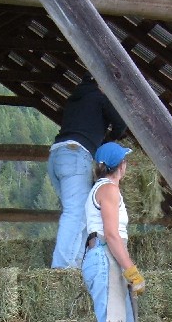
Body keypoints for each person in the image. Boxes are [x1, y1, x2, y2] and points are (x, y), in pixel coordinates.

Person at [81, 142, 145, 322]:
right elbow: (112, 234)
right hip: (106, 257)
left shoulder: (103, 188)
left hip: (108, 258)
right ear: (121, 165)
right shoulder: (109, 189)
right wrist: (131, 270)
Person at [48, 73, 127, 269]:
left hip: (57, 155)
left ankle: (75, 264)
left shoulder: (74, 100)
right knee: (75, 212)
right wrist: (108, 141)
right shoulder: (99, 97)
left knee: (80, 211)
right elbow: (120, 124)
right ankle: (62, 268)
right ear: (100, 84)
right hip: (76, 155)